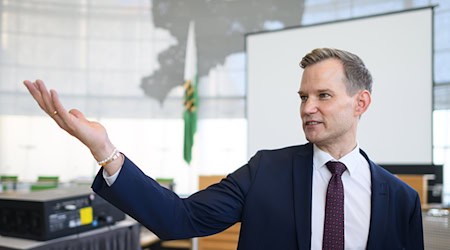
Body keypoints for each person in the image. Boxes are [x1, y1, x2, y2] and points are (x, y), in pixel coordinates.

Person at [23, 48, 424, 250]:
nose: (307, 108)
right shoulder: (265, 171)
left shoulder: (401, 200)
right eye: (302, 96)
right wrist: (104, 148)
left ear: (361, 103)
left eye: (322, 95)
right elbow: (177, 219)